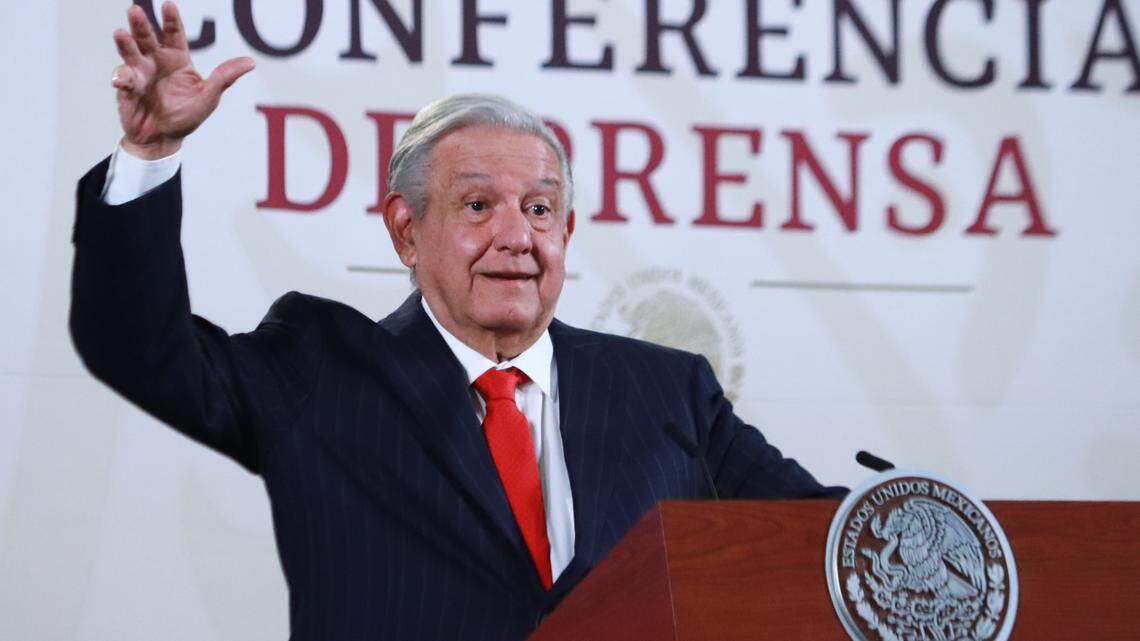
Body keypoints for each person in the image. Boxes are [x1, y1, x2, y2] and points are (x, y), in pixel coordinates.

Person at [71, 3, 845, 639]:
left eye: (540, 209)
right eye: (479, 205)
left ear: (566, 235)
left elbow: (815, 539)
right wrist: (150, 150)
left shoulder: (668, 390)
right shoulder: (321, 368)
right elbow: (139, 347)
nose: (518, 235)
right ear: (407, 230)